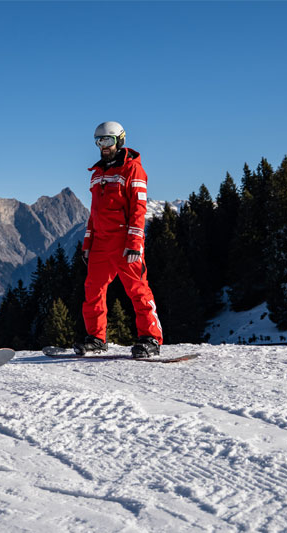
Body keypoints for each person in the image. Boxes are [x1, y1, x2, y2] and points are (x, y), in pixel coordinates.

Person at [75, 121, 163, 358]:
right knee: (93, 290)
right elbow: (94, 213)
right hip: (101, 244)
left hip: (125, 242)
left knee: (138, 289)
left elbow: (139, 208)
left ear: (120, 140)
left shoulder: (133, 170)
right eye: (99, 141)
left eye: (108, 140)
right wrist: (88, 243)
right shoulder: (97, 173)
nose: (103, 146)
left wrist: (135, 242)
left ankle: (150, 338)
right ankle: (96, 339)